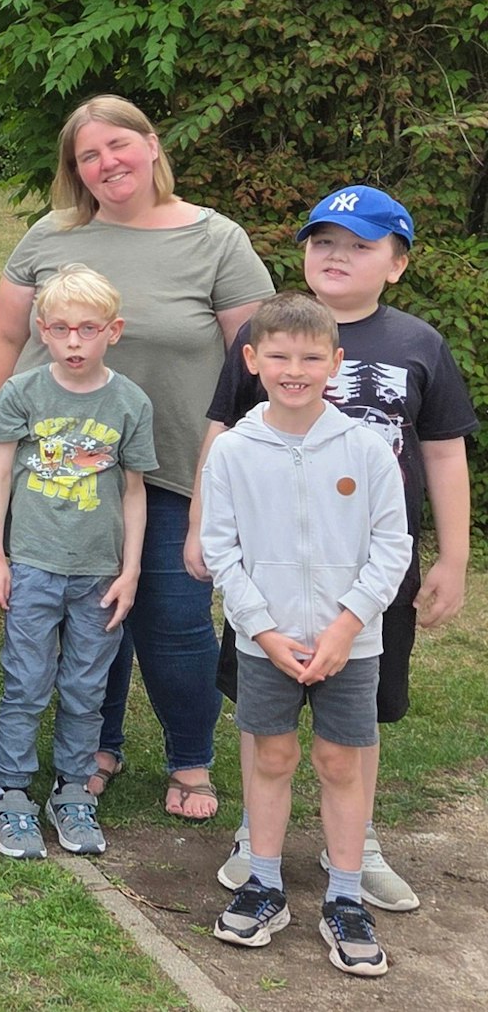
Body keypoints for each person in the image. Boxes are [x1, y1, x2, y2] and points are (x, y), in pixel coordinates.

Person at [0, 95, 274, 820]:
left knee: (171, 615)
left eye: (117, 146)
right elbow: (4, 335)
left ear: (151, 142)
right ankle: (94, 749)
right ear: (75, 171)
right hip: (60, 473)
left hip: (171, 464)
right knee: (84, 615)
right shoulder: (50, 235)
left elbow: (254, 357)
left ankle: (190, 758)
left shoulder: (216, 238)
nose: (107, 164)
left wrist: (251, 448)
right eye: (87, 156)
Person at [194, 186, 477, 912]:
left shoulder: (418, 344)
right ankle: (256, 840)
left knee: (358, 714)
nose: (338, 256)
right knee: (264, 704)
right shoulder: (257, 336)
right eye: (324, 242)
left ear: (397, 263)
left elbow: (443, 452)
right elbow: (223, 429)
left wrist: (451, 557)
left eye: (359, 245)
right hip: (270, 574)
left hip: (369, 576)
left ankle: (358, 841)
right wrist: (200, 521)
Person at [200, 291, 410, 977]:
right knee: (271, 757)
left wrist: (348, 625)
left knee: (341, 762)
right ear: (254, 359)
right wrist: (262, 631)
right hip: (270, 641)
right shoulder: (233, 450)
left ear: (336, 364)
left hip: (353, 642)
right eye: (280, 355)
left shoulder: (368, 447)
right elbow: (222, 551)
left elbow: (392, 547)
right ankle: (264, 883)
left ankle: (345, 897)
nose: (296, 368)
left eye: (312, 355)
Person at [0, 265, 156, 859]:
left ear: (114, 330)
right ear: (42, 331)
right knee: (27, 681)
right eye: (61, 329)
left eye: (88, 329)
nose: (74, 341)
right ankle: (11, 793)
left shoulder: (130, 402)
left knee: (87, 687)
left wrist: (130, 572)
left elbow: (134, 490)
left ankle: (73, 791)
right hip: (31, 565)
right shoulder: (22, 394)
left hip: (101, 574)